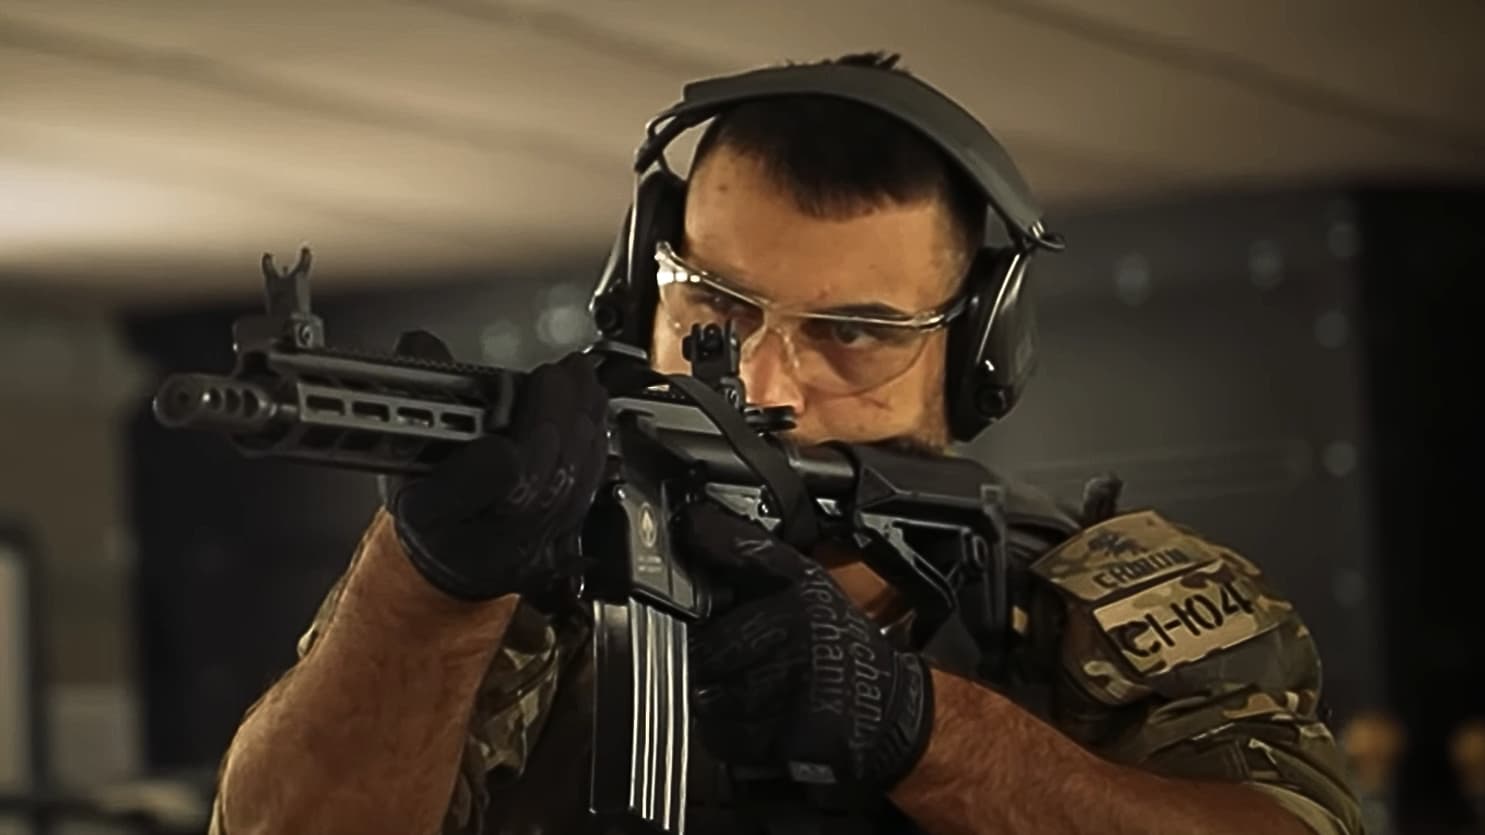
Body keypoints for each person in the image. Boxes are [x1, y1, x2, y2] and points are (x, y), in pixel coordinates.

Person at [209, 52, 1362, 835]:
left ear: (978, 355)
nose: (763, 381)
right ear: (639, 292)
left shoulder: (1096, 601)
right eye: (713, 309)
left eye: (856, 332)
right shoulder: (516, 587)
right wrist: (426, 580)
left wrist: (917, 726)